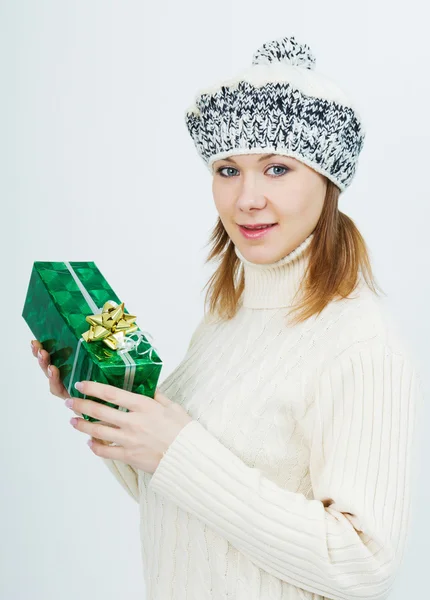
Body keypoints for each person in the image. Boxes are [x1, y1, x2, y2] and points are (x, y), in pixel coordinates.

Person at [31, 35, 423, 600]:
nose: (247, 198)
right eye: (228, 169)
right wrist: (101, 401)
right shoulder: (225, 320)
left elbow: (363, 565)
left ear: (327, 181)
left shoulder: (358, 343)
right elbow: (187, 502)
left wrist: (178, 449)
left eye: (278, 169)